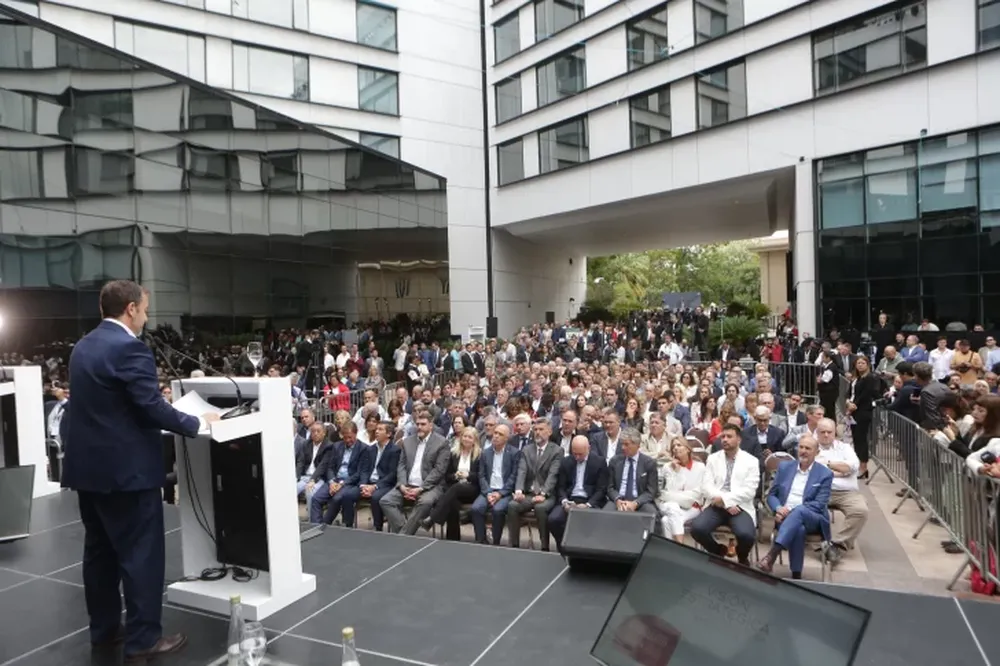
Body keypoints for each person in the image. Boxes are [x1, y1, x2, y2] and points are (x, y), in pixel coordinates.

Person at [61, 280, 219, 662]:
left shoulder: (82, 347)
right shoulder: (130, 349)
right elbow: (150, 407)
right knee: (140, 557)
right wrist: (198, 423)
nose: (147, 317)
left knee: (99, 556)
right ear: (130, 308)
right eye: (145, 309)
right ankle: (144, 638)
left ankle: (104, 631)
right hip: (127, 475)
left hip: (89, 472)